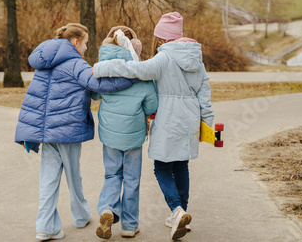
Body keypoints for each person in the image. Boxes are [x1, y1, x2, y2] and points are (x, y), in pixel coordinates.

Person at [92, 12, 214, 240]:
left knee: (162, 168)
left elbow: (135, 69)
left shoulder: (163, 58)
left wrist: (100, 68)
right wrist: (206, 125)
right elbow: (205, 96)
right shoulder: (197, 60)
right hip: (190, 119)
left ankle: (177, 210)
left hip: (168, 118)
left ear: (162, 38)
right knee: (181, 166)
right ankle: (179, 213)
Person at [15, 23, 135, 241]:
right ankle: (81, 217)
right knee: (73, 176)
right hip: (68, 131)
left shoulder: (45, 62)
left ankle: (45, 226)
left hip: (46, 132)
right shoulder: (75, 64)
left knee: (48, 178)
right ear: (75, 42)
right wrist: (132, 75)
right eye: (86, 43)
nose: (87, 48)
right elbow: (100, 84)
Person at [93, 26, 158, 239]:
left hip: (110, 134)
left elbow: (94, 94)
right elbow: (151, 106)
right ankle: (129, 225)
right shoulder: (141, 74)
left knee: (112, 174)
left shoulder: (101, 71)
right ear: (135, 49)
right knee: (131, 179)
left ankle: (107, 209)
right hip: (133, 135)